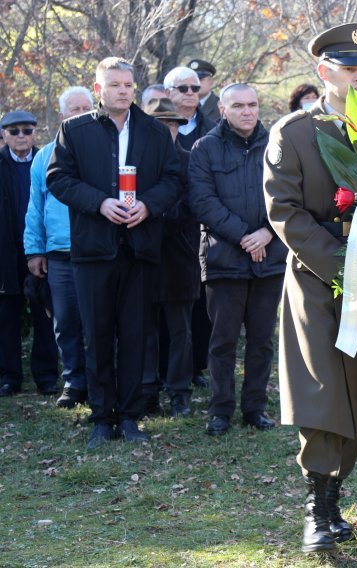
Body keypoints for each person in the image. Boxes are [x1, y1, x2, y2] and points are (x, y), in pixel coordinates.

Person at [263, 23, 357, 553]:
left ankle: (336, 497)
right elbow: (285, 212)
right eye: (350, 68)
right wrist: (341, 264)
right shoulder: (293, 132)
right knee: (323, 394)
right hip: (318, 279)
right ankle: (317, 512)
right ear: (324, 72)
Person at [47, 56, 181, 449]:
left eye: (128, 84)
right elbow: (59, 179)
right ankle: (101, 417)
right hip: (93, 250)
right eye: (115, 84)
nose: (123, 90)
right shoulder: (74, 130)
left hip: (140, 250)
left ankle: (130, 416)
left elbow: (174, 179)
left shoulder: (154, 132)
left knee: (136, 335)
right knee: (98, 335)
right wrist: (100, 203)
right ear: (98, 88)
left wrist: (149, 206)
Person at [188, 83, 285, 436]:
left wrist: (267, 234)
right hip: (224, 259)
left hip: (269, 257)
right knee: (223, 340)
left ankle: (255, 408)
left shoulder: (277, 148)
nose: (247, 111)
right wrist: (245, 236)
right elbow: (202, 201)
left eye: (253, 105)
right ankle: (220, 410)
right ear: (223, 110)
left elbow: (290, 195)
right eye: (239, 106)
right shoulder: (205, 148)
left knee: (261, 340)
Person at [23, 87, 94, 408]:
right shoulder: (44, 156)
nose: (80, 113)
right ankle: (74, 381)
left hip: (98, 251)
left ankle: (100, 380)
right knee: (64, 322)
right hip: (59, 254)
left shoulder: (105, 150)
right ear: (63, 115)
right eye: (74, 109)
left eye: (86, 107)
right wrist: (34, 250)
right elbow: (35, 207)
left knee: (99, 321)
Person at [143, 97, 200, 418]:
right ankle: (147, 390)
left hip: (180, 257)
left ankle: (180, 392)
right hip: (144, 259)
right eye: (159, 125)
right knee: (144, 329)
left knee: (181, 331)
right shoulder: (134, 164)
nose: (167, 131)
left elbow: (192, 206)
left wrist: (152, 214)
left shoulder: (190, 161)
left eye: (172, 125)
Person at [0, 110, 59, 398]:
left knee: (45, 314)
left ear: (36, 132)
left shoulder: (49, 159)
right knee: (6, 317)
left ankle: (46, 377)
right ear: (3, 135)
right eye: (14, 131)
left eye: (26, 130)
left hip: (42, 251)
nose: (21, 136)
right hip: (5, 253)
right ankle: (9, 377)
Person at [164, 66, 216, 151]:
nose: (190, 92)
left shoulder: (213, 129)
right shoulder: (153, 128)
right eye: (183, 88)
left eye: (195, 88)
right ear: (168, 93)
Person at [188, 59, 221, 123]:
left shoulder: (221, 106)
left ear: (211, 82)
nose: (196, 83)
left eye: (200, 79)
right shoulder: (182, 104)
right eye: (193, 80)